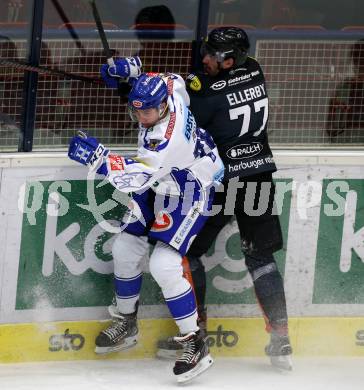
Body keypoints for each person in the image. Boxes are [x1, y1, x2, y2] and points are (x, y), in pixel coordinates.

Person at [68, 57, 224, 383]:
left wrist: (99, 159)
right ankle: (127, 322)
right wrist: (131, 69)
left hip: (188, 188)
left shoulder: (164, 139)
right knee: (124, 248)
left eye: (147, 112)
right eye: (136, 110)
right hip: (162, 179)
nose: (141, 117)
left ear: (164, 107)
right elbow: (172, 78)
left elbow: (137, 178)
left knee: (164, 265)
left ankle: (196, 342)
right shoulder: (169, 90)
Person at [156, 26, 293, 371]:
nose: (204, 59)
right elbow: (205, 84)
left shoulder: (208, 93)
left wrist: (135, 87)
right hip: (259, 174)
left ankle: (197, 335)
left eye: (211, 56)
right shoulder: (255, 69)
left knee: (187, 252)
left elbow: (177, 114)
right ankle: (281, 337)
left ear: (230, 59)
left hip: (222, 182)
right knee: (261, 258)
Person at [326, 38, 364, 143]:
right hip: (345, 142)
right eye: (358, 59)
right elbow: (331, 126)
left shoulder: (343, 87)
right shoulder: (344, 87)